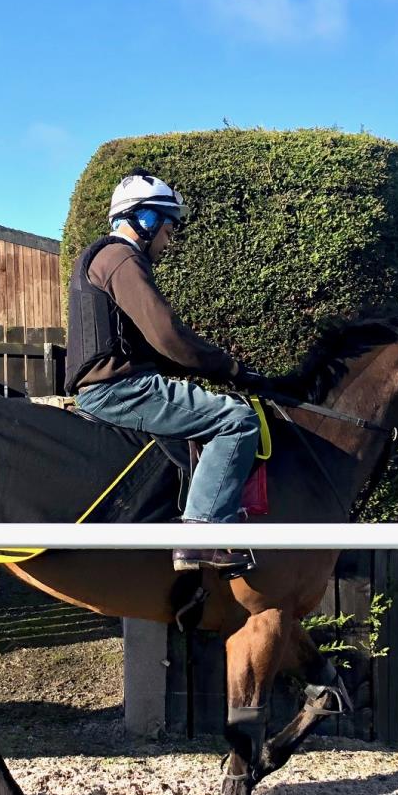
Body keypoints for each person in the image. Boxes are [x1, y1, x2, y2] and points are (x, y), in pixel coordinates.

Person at [65, 168, 268, 576]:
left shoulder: (104, 257)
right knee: (238, 420)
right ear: (146, 219)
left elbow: (155, 344)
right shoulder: (121, 258)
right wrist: (230, 368)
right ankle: (201, 534)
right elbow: (167, 334)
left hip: (111, 385)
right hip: (121, 389)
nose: (169, 240)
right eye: (168, 228)